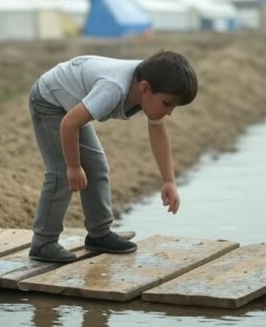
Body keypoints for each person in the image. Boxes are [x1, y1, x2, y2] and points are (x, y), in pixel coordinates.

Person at [28, 50, 198, 263]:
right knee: (61, 173)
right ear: (145, 88)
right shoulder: (113, 89)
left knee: (97, 166)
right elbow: (69, 124)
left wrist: (169, 180)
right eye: (167, 104)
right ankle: (43, 243)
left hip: (70, 104)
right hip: (49, 101)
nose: (170, 112)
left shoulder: (151, 81)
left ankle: (99, 234)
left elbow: (158, 131)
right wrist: (73, 166)